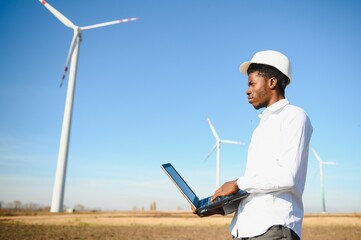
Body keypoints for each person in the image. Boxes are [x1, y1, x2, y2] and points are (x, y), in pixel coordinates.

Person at [211, 50, 313, 240]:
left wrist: (237, 183)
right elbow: (259, 185)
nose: (247, 90)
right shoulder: (261, 127)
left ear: (272, 82)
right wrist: (221, 207)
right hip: (246, 230)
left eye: (252, 83)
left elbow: (287, 176)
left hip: (272, 230)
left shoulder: (294, 116)